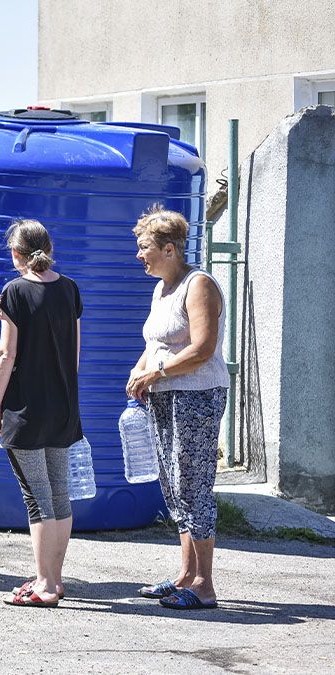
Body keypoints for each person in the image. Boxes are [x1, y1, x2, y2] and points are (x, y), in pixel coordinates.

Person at [126, 207, 227, 610]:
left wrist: (156, 374)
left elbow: (201, 349)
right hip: (166, 395)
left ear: (170, 249)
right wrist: (140, 371)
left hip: (197, 396)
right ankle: (186, 574)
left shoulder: (197, 285)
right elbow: (158, 344)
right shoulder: (162, 288)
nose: (139, 255)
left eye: (144, 247)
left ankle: (204, 585)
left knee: (193, 485)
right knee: (173, 485)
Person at [0, 219, 83, 607]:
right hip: (63, 405)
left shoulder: (14, 291)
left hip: (26, 409)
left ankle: (45, 585)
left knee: (38, 498)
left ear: (16, 252)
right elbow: (75, 351)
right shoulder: (69, 288)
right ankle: (54, 579)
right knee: (60, 494)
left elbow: (5, 354)